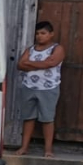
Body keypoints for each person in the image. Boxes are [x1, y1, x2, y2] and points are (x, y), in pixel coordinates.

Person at [14, 20, 66, 157]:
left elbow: (51, 63)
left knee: (47, 119)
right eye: (37, 33)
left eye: (43, 33)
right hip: (29, 86)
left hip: (48, 88)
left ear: (51, 34)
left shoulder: (57, 49)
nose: (39, 36)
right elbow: (20, 65)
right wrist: (41, 63)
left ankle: (48, 149)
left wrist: (30, 63)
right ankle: (24, 147)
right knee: (28, 118)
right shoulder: (30, 49)